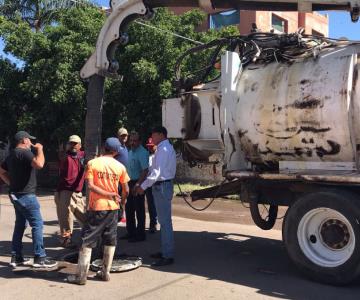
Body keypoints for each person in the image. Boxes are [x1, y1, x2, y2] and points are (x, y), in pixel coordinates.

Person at [67, 137, 130, 285]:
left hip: (97, 208)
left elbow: (90, 186)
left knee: (87, 240)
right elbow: (126, 189)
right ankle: (105, 273)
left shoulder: (93, 163)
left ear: (103, 148)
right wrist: (122, 202)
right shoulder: (120, 166)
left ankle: (81, 277)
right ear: (115, 152)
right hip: (113, 208)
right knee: (110, 239)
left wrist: (107, 194)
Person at [0, 131, 57, 268]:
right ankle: (40, 257)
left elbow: (1, 171)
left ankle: (16, 257)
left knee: (20, 224)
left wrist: (10, 183)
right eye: (29, 140)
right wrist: (40, 150)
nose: (31, 143)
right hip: (26, 195)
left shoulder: (12, 154)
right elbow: (39, 164)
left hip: (15, 194)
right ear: (24, 140)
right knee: (37, 224)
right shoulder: (25, 153)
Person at [135, 126, 176, 267]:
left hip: (162, 186)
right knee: (165, 223)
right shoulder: (164, 148)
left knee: (165, 223)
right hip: (162, 186)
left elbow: (156, 173)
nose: (152, 138)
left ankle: (167, 255)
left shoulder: (163, 150)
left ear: (161, 135)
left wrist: (143, 186)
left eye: (153, 135)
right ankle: (165, 251)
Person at [55, 135, 86, 247]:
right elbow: (62, 157)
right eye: (71, 143)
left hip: (77, 192)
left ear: (80, 145)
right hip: (65, 192)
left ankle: (88, 238)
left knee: (85, 217)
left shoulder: (83, 155)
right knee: (66, 219)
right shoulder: (65, 156)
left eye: (75, 143)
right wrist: (63, 150)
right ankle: (65, 241)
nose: (73, 145)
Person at [122, 132, 149, 242]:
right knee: (129, 209)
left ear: (139, 141)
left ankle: (140, 235)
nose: (132, 143)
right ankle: (131, 232)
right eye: (131, 140)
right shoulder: (130, 151)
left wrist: (138, 184)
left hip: (138, 182)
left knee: (139, 209)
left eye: (135, 140)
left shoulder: (142, 152)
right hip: (129, 182)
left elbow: (145, 170)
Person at [145, 138, 157, 233]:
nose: (150, 148)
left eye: (152, 146)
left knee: (156, 204)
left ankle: (155, 223)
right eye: (149, 147)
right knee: (150, 204)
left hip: (156, 183)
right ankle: (153, 223)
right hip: (148, 183)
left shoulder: (158, 156)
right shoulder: (147, 156)